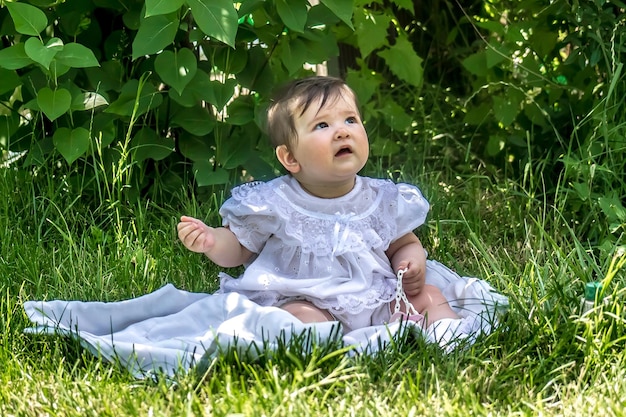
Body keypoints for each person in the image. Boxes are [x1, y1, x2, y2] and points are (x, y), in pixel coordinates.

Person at [177, 76, 459, 333]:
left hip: (376, 299)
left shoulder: (379, 198)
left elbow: (403, 243)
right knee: (299, 319)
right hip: (308, 300)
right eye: (322, 125)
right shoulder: (276, 203)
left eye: (350, 120)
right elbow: (239, 249)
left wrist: (411, 262)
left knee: (430, 296)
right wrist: (212, 241)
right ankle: (327, 349)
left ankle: (449, 340)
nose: (342, 132)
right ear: (290, 158)